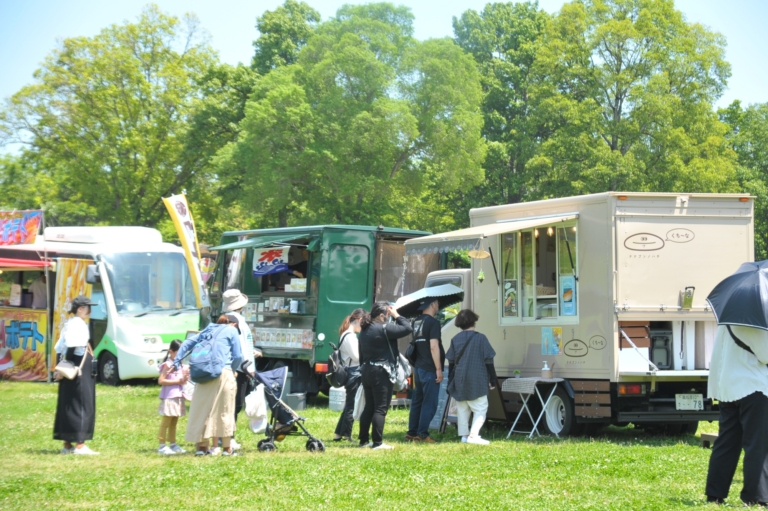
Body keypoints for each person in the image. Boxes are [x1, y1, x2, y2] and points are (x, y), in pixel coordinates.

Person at [705, 324, 768, 505]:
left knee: (727, 442)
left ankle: (714, 494)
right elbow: (765, 354)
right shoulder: (756, 322)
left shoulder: (729, 318)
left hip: (727, 387)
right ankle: (756, 497)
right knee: (757, 445)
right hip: (753, 386)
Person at [173, 318, 242, 456]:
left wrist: (176, 361)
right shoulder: (231, 330)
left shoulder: (208, 330)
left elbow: (186, 343)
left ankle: (201, 448)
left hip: (202, 373)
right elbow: (238, 356)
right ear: (234, 324)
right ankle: (227, 449)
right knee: (225, 410)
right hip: (223, 372)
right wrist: (232, 370)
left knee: (201, 410)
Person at [358, 301, 413, 450]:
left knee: (369, 406)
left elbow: (361, 353)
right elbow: (407, 328)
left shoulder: (364, 330)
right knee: (381, 408)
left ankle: (363, 441)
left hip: (367, 370)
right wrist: (397, 315)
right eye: (388, 316)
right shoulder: (384, 328)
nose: (389, 318)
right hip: (381, 372)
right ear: (382, 316)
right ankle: (377, 443)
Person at [53, 295, 99, 455]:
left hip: (71, 368)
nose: (90, 310)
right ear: (80, 309)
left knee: (68, 404)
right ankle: (80, 445)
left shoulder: (69, 323)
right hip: (79, 369)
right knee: (82, 404)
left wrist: (61, 368)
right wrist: (67, 367)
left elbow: (59, 349)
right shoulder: (79, 324)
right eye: (88, 307)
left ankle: (67, 445)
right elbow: (72, 347)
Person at [445, 309, 497, 445]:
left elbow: (451, 362)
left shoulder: (455, 339)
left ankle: (464, 435)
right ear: (474, 321)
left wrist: (450, 380)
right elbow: (489, 360)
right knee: (480, 407)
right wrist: (492, 378)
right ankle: (473, 436)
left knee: (462, 408)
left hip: (459, 378)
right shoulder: (481, 338)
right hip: (477, 377)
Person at [221, 289, 262, 450]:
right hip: (240, 368)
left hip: (227, 366)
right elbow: (241, 347)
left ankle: (223, 436)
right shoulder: (238, 321)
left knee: (228, 404)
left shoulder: (225, 319)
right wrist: (249, 368)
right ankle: (228, 437)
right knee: (235, 404)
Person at [406, 298, 444, 443]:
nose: (438, 306)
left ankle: (412, 432)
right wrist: (438, 369)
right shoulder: (433, 323)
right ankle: (422, 434)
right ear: (433, 304)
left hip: (418, 368)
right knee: (429, 402)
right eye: (437, 303)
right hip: (429, 368)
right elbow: (433, 346)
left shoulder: (416, 322)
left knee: (417, 401)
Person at [333, 309, 364, 442]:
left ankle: (338, 434)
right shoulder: (350, 336)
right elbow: (356, 357)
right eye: (363, 323)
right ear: (359, 320)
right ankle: (347, 434)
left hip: (350, 372)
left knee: (349, 404)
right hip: (353, 372)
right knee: (352, 405)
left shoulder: (346, 334)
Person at [157, 340, 188, 455]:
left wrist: (185, 379)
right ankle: (162, 446)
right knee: (166, 422)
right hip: (169, 397)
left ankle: (173, 444)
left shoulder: (179, 365)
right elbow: (161, 380)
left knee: (174, 423)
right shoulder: (168, 365)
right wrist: (178, 381)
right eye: (179, 353)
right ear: (171, 351)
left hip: (178, 396)